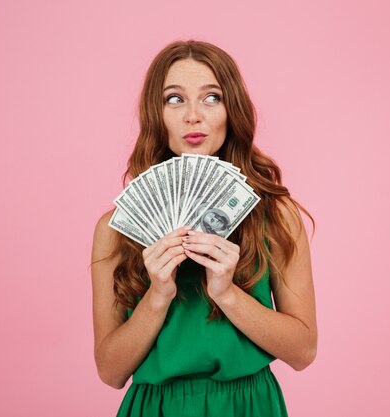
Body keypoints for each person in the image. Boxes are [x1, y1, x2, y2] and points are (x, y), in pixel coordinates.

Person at [90, 40, 317, 417]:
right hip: (157, 408)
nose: (193, 115)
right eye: (174, 99)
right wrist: (158, 294)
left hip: (249, 406)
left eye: (212, 97)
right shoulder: (115, 231)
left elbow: (303, 351)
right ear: (155, 114)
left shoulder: (277, 216)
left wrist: (227, 293)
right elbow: (110, 372)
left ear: (232, 110)